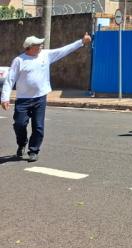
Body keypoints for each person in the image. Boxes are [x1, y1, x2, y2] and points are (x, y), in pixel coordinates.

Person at [1, 33, 92, 162]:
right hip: (23, 100)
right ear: (29, 47)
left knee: (38, 126)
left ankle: (33, 150)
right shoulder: (19, 60)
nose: (41, 46)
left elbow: (64, 50)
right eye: (38, 45)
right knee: (19, 124)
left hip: (40, 98)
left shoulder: (45, 55)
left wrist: (81, 42)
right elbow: (10, 80)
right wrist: (5, 98)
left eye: (41, 45)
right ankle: (22, 143)